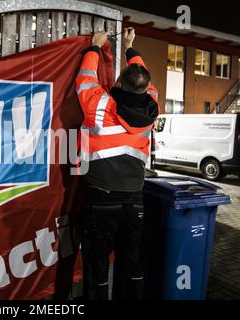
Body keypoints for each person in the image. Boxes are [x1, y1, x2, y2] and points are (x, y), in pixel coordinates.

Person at [75, 28, 159, 300]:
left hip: (101, 197)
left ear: (120, 82)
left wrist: (95, 47)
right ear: (147, 88)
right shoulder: (152, 104)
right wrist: (130, 48)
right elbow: (141, 76)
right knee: (131, 260)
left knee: (97, 264)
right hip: (135, 199)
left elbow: (84, 78)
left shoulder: (99, 103)